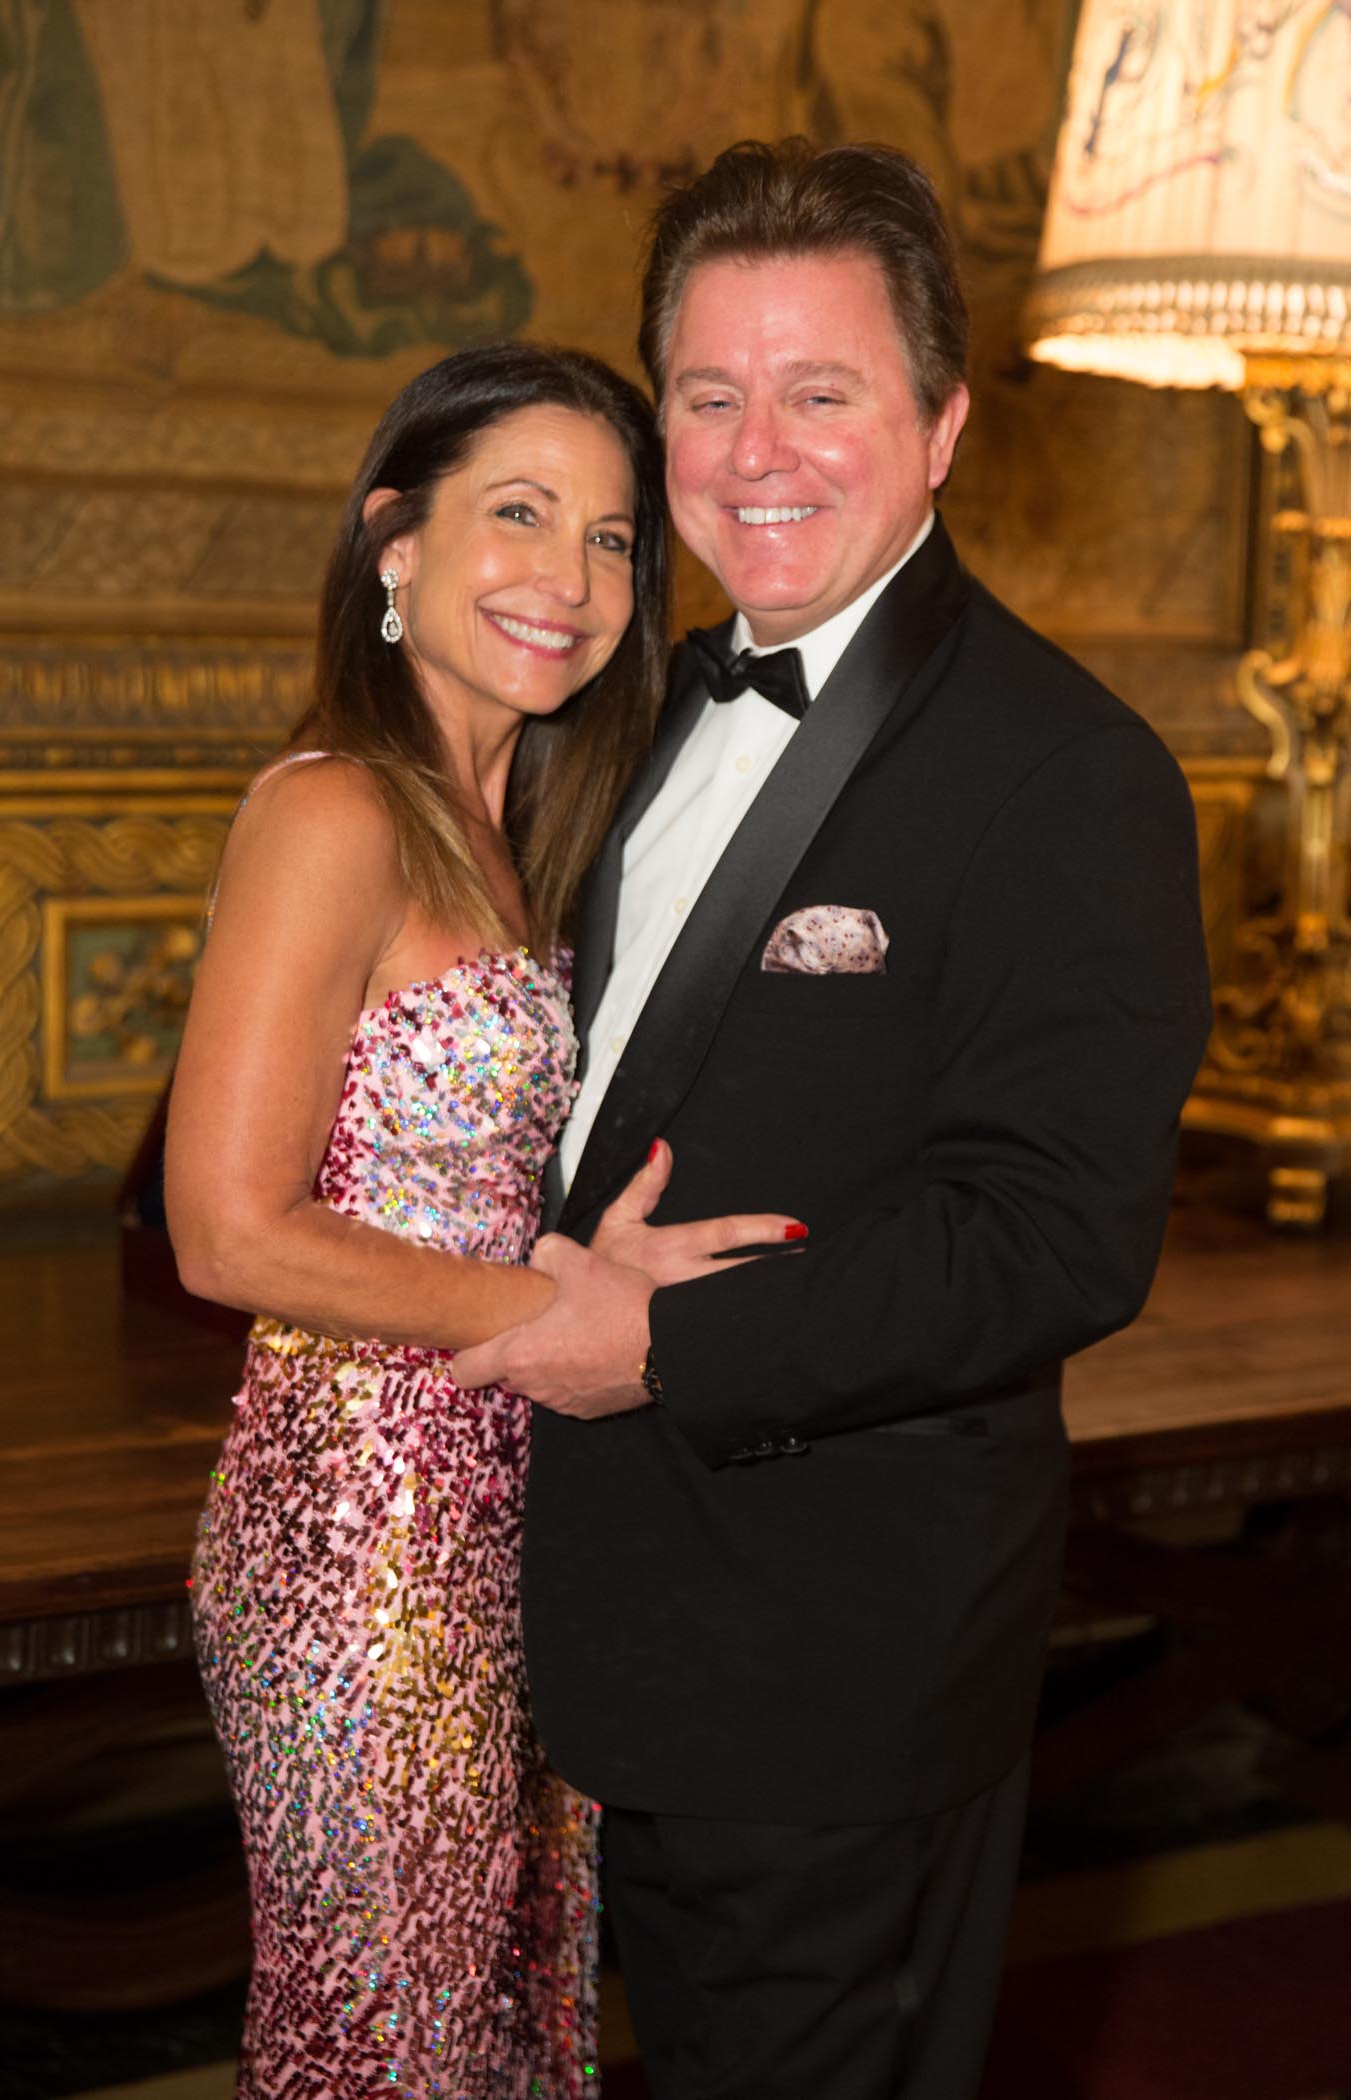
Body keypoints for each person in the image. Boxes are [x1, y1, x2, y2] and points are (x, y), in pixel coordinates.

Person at [451, 142, 1214, 2099]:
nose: (756, 451)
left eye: (821, 391)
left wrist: (664, 1341)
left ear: (941, 425)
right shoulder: (612, 709)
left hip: (828, 1678)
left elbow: (1053, 1236)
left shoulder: (1067, 771)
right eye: (709, 395)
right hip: (571, 1631)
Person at [166, 341, 796, 2099]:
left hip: (519, 1515)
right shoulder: (333, 809)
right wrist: (548, 1312)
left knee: (509, 2036)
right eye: (518, 513)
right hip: (358, 1531)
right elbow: (227, 1230)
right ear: (395, 539)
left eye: (611, 539)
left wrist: (598, 1274)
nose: (568, 579)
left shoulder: (526, 835)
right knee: (391, 2047)